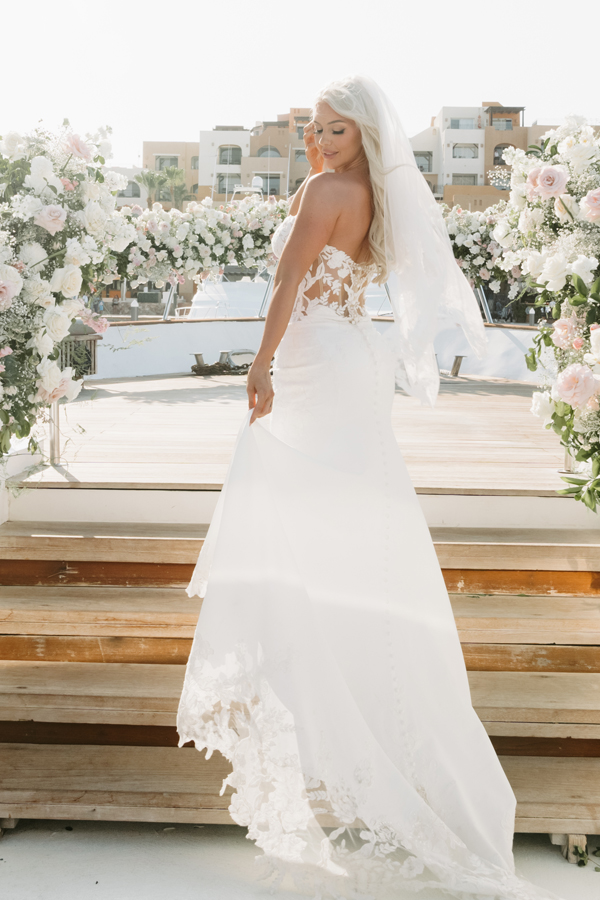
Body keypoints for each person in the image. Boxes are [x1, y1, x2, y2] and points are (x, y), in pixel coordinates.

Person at [177, 76, 563, 900]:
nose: (322, 139)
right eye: (317, 128)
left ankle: (310, 639)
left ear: (362, 133)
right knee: (345, 514)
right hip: (355, 359)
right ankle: (337, 649)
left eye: (337, 128)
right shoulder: (375, 197)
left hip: (318, 361)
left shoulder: (321, 189)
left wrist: (257, 364)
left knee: (287, 490)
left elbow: (285, 284)